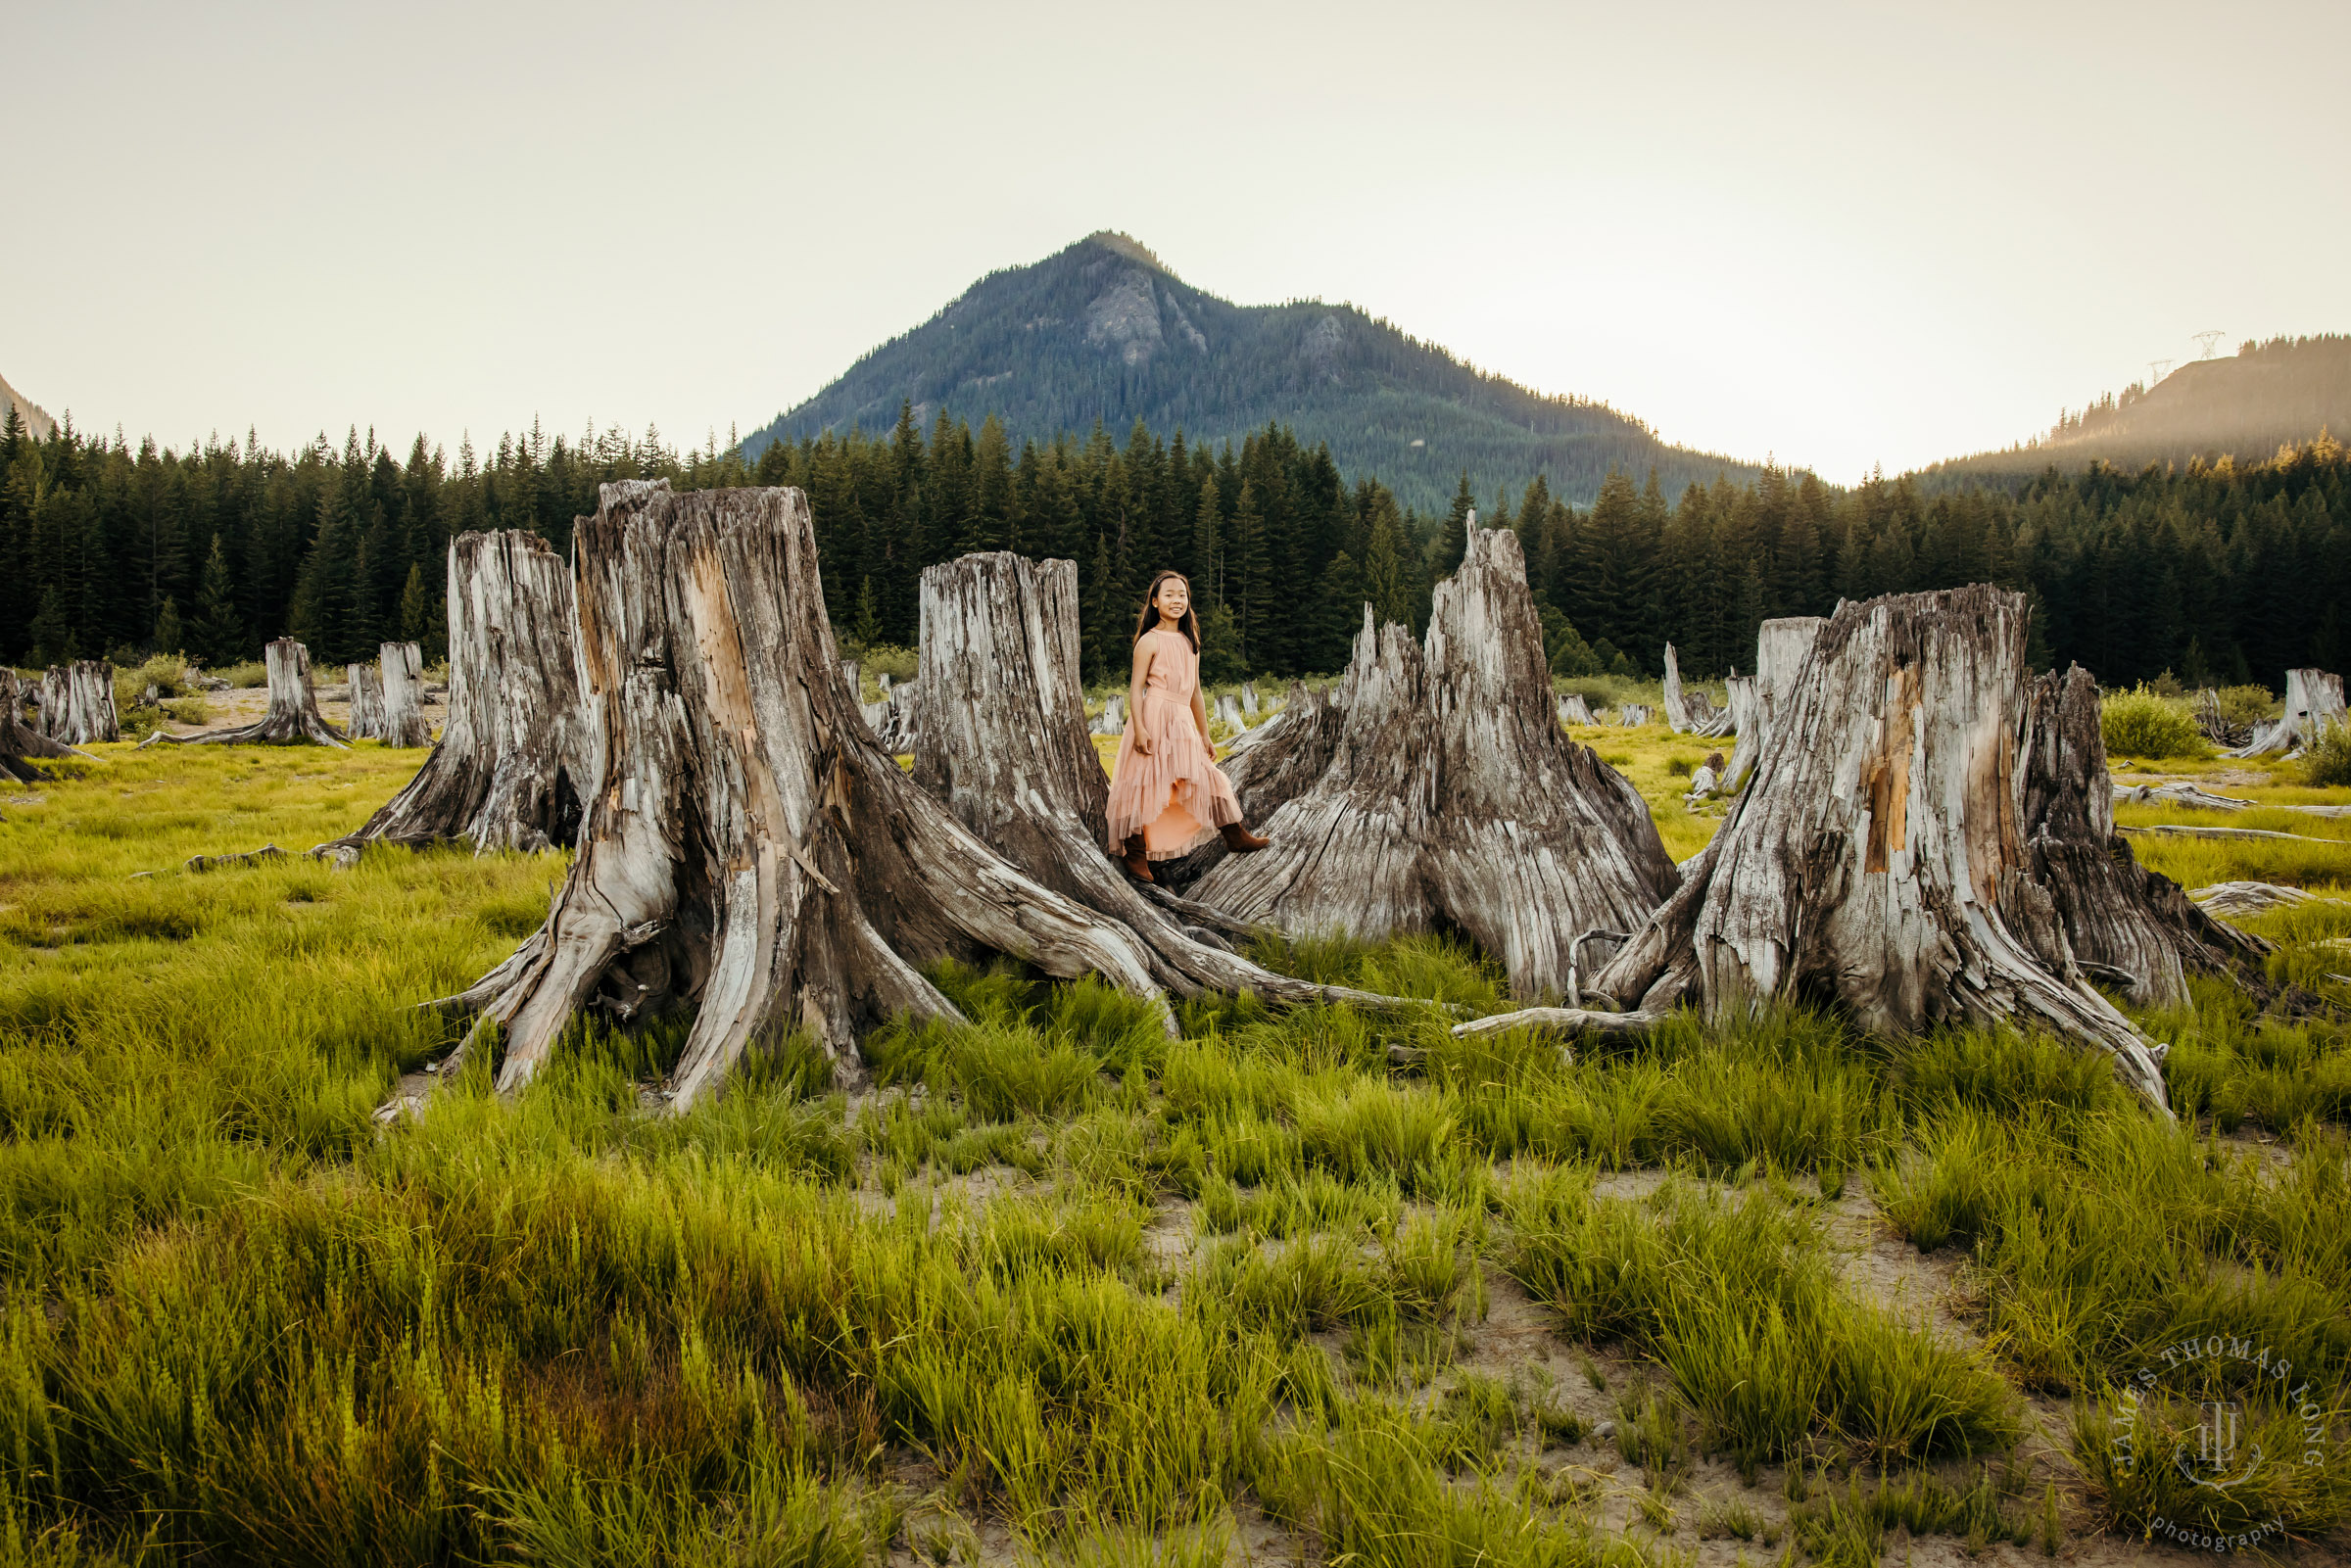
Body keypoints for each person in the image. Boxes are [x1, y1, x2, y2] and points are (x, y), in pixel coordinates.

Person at [1105, 570, 1271, 881]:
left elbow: (1195, 693)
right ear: (1155, 602)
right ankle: (1135, 853)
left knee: (1206, 775)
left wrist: (1205, 734)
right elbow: (1136, 689)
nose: (1176, 600)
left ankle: (1233, 834)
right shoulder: (1149, 641)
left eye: (1182, 594)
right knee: (1145, 783)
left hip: (1181, 719)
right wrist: (1139, 728)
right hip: (1154, 716)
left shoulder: (1189, 642)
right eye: (1168, 594)